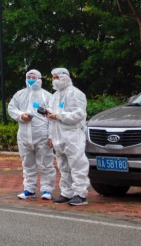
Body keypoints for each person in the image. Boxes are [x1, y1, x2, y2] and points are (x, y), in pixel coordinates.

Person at [7, 69, 56, 200]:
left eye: (34, 77)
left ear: (39, 79)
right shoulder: (19, 94)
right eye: (29, 76)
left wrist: (51, 136)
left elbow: (52, 117)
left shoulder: (47, 96)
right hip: (24, 136)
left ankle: (47, 189)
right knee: (27, 164)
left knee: (46, 163)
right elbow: (11, 108)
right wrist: (21, 116)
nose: (31, 78)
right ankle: (29, 189)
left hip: (42, 136)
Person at [47, 68, 89, 206]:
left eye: (57, 77)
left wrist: (59, 116)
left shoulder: (75, 93)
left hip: (72, 136)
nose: (55, 80)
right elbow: (51, 119)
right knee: (63, 166)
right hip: (58, 136)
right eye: (53, 77)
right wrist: (50, 137)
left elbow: (78, 115)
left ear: (66, 77)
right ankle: (67, 193)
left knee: (77, 164)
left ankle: (80, 194)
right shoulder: (54, 96)